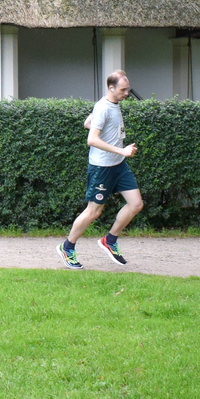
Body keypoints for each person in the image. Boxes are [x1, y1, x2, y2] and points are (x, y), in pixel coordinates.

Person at [58, 69, 143, 269]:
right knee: (94, 211)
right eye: (123, 90)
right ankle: (67, 247)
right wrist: (121, 151)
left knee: (136, 204)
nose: (126, 93)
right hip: (102, 168)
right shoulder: (104, 107)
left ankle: (110, 241)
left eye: (127, 89)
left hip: (118, 166)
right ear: (111, 88)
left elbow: (88, 123)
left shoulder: (111, 104)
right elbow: (92, 139)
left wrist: (118, 153)